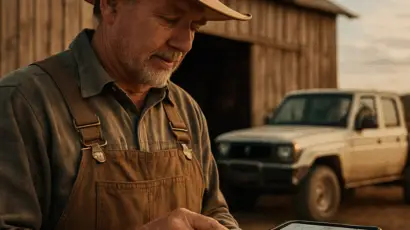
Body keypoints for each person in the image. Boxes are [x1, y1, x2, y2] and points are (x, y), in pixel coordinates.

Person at [0, 0, 252, 229]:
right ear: (111, 6)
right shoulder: (23, 103)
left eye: (195, 26)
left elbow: (214, 208)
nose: (184, 43)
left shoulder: (186, 109)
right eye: (169, 20)